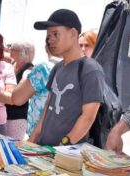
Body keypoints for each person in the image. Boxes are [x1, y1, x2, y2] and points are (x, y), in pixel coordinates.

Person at [29, 9, 105, 146]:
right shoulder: (57, 67)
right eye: (49, 35)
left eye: (56, 34)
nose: (50, 40)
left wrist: (64, 145)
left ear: (73, 34)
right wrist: (33, 138)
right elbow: (48, 106)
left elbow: (88, 116)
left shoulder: (90, 69)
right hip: (44, 149)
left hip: (68, 154)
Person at [5, 41, 35, 139]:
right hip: (6, 114)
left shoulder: (29, 69)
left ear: (23, 52)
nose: (10, 50)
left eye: (13, 49)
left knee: (13, 145)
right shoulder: (13, 63)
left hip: (17, 117)